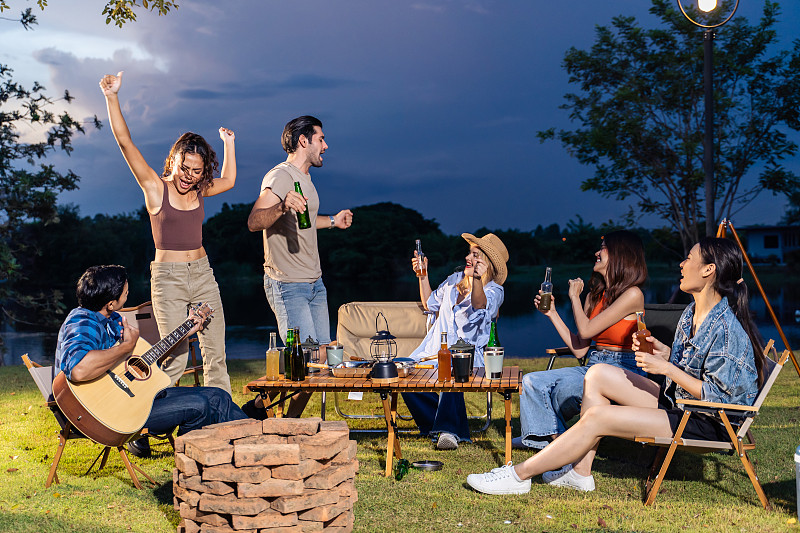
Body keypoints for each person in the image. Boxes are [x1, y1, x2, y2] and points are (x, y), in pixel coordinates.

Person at [466, 237, 765, 495]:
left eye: (689, 259)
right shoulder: (691, 313)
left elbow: (721, 399)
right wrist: (664, 353)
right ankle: (581, 473)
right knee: (596, 374)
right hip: (680, 403)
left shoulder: (726, 331)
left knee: (597, 416)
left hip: (706, 422)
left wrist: (667, 369)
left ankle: (519, 475)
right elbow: (690, 364)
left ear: (708, 271)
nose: (681, 265)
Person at [100, 71, 235, 395]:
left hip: (202, 273)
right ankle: (147, 417)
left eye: (197, 171)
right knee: (175, 357)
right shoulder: (154, 187)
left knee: (216, 353)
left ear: (204, 171)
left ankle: (223, 420)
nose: (189, 177)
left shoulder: (201, 189)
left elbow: (229, 181)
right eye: (184, 168)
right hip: (168, 278)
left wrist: (229, 144)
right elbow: (125, 142)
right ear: (173, 160)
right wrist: (112, 96)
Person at [55, 266, 248, 457]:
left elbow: (140, 360)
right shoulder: (83, 322)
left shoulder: (110, 318)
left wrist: (185, 333)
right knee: (199, 405)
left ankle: (255, 440)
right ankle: (191, 458)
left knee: (217, 396)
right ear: (111, 303)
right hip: (105, 414)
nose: (128, 293)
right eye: (125, 292)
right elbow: (78, 369)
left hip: (131, 399)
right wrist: (125, 347)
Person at [246, 115, 352, 418]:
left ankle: (264, 413)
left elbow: (302, 223)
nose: (326, 145)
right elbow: (255, 221)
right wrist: (280, 205)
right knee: (305, 360)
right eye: (321, 138)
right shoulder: (280, 176)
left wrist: (332, 221)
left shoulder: (306, 179)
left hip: (314, 284)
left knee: (319, 364)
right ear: (303, 140)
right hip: (287, 283)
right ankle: (274, 417)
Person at [514, 230, 648, 450]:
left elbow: (586, 331)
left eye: (603, 247)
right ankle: (548, 439)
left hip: (624, 370)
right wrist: (553, 314)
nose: (597, 252)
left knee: (563, 389)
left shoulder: (633, 295)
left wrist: (574, 297)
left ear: (620, 254)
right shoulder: (594, 296)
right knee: (532, 381)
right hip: (595, 364)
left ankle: (552, 442)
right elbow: (579, 349)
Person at [402, 233, 508, 450]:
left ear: (486, 263)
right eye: (469, 252)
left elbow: (481, 306)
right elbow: (430, 303)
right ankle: (438, 426)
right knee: (402, 371)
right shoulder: (454, 280)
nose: (468, 257)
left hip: (468, 358)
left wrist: (477, 280)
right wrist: (422, 275)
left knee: (455, 366)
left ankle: (449, 430)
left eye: (475, 255)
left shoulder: (495, 290)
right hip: (433, 351)